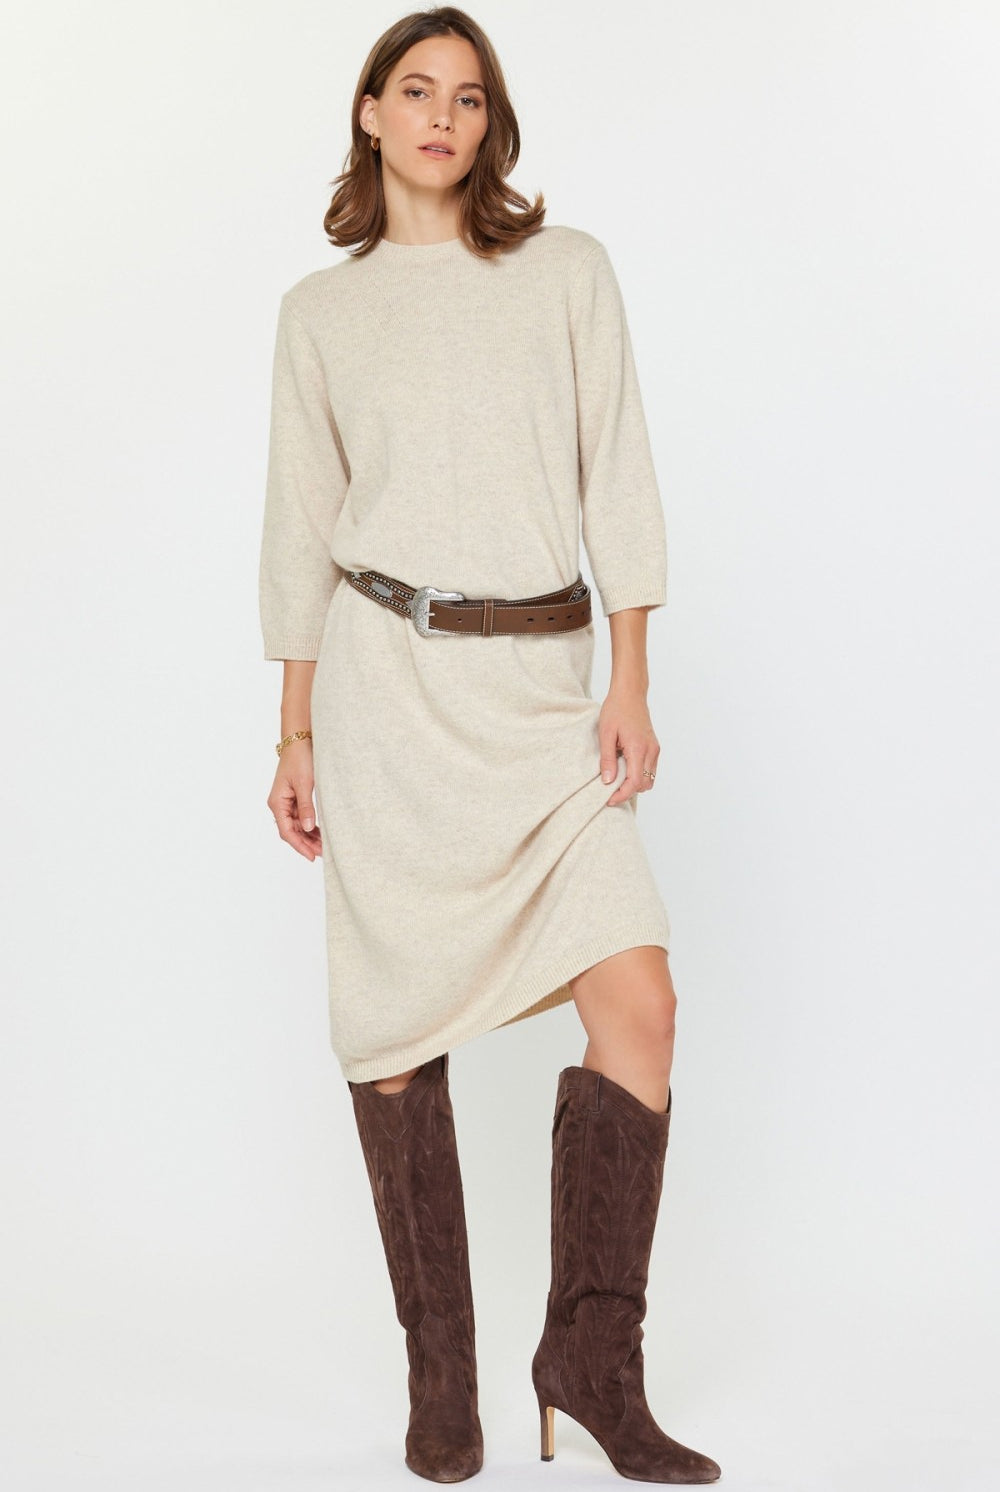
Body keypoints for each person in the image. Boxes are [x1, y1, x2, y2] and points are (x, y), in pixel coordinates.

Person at [258, 6, 721, 1485]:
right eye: (417, 91)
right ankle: (442, 1378)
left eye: (467, 97)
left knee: (640, 1003)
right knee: (397, 1040)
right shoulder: (319, 315)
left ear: (490, 123)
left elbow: (619, 473)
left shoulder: (566, 272)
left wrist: (630, 678)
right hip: (386, 698)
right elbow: (300, 530)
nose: (442, 118)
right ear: (372, 113)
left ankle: (590, 1360)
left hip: (542, 703)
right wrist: (295, 727)